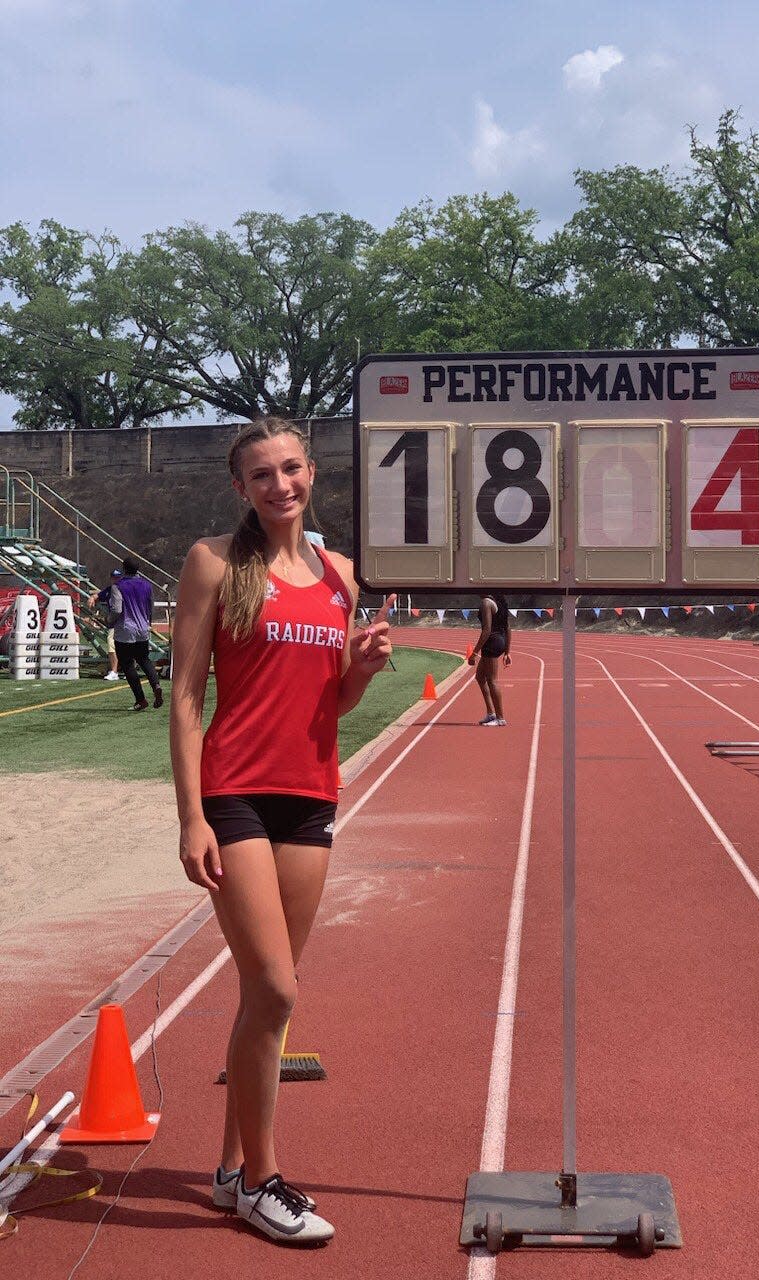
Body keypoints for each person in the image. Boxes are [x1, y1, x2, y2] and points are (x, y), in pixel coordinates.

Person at [169, 416, 394, 1246]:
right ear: (240, 488)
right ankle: (265, 1181)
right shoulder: (215, 564)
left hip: (310, 796)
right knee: (277, 989)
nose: (279, 486)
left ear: (313, 475)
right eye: (260, 475)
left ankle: (231, 1170)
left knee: (268, 994)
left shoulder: (341, 576)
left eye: (291, 469)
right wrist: (191, 816)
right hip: (234, 794)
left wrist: (361, 674)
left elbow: (329, 706)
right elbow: (188, 697)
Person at [109, 557, 162, 710]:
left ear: (124, 569)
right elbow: (150, 607)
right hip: (142, 629)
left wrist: (109, 620)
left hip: (125, 630)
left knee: (127, 665)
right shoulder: (147, 585)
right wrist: (148, 624)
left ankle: (141, 699)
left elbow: (117, 609)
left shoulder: (118, 586)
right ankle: (156, 685)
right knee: (145, 660)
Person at [467, 593, 511, 725]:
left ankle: (500, 718)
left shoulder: (486, 603)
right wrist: (507, 651)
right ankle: (491, 713)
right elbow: (508, 628)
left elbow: (486, 630)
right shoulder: (500, 602)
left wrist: (474, 653)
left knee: (492, 680)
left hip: (491, 643)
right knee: (480, 677)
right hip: (499, 640)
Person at [86, 568, 122, 680]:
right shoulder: (109, 590)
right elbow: (99, 595)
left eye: (118, 577)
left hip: (126, 622)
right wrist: (92, 597)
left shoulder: (125, 589)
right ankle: (114, 671)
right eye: (114, 577)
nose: (116, 579)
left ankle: (125, 669)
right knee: (111, 646)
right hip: (115, 624)